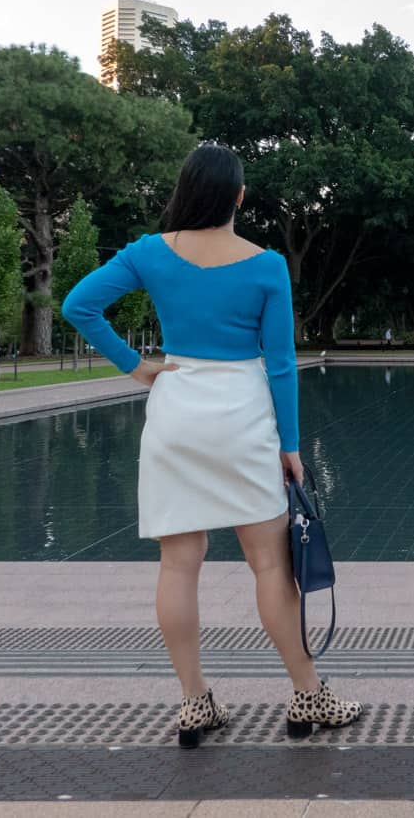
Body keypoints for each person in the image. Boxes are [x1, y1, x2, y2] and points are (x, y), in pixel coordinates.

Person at [62, 144, 361, 749]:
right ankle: (309, 694)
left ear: (186, 189)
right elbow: (280, 364)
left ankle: (195, 703)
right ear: (239, 197)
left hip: (177, 409)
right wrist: (292, 444)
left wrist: (136, 367)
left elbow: (79, 305)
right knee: (271, 564)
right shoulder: (267, 264)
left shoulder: (151, 252)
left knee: (178, 565)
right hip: (242, 417)